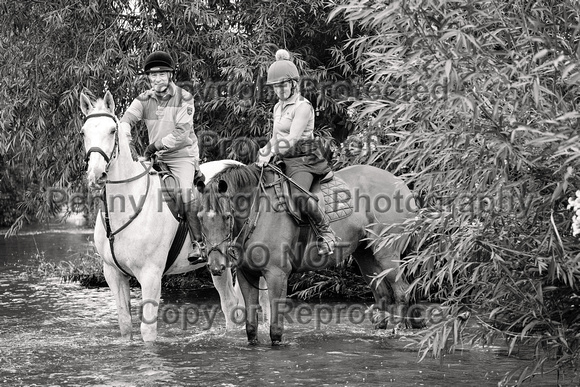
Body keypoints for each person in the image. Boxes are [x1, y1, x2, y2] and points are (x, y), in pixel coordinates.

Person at [119, 50, 204, 263]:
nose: (157, 79)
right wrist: (125, 136)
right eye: (153, 75)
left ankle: (199, 244)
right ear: (148, 78)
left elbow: (182, 133)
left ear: (170, 76)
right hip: (156, 157)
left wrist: (154, 146)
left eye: (162, 74)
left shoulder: (184, 97)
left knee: (185, 193)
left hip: (181, 155)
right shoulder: (144, 99)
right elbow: (126, 120)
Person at [256, 49, 335, 256]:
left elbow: (291, 138)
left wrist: (272, 152)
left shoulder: (303, 107)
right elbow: (275, 138)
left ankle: (326, 232)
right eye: (275, 86)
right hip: (284, 157)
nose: (280, 90)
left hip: (303, 159)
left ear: (293, 83)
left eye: (283, 85)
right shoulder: (277, 107)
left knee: (299, 196)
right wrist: (263, 152)